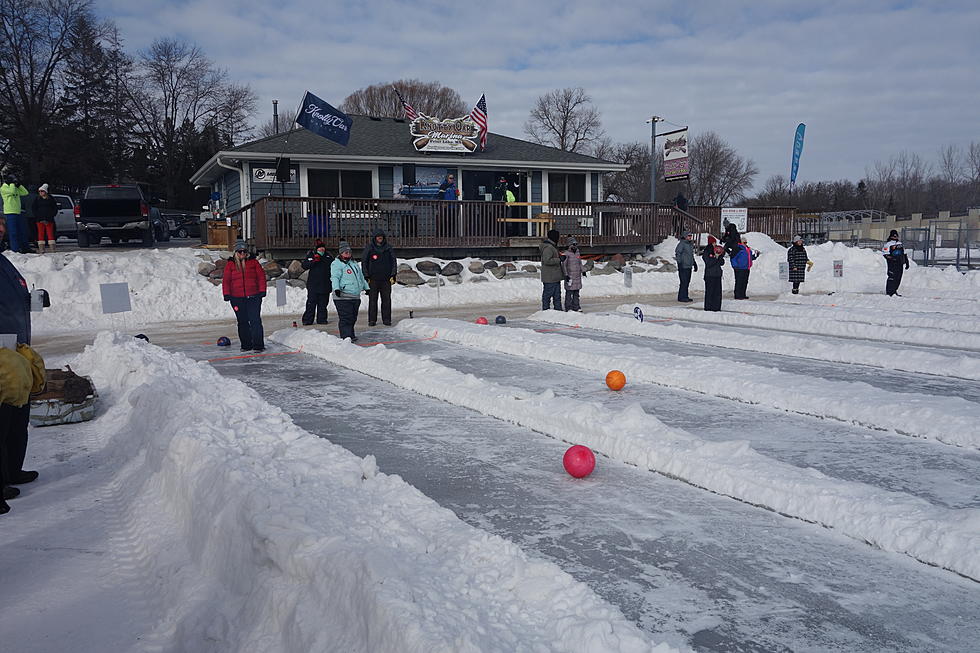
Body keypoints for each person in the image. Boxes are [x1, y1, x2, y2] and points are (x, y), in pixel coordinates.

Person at [0, 213, 44, 513]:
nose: (3, 230)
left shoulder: (4, 262)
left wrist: (33, 299)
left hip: (15, 350)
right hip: (1, 356)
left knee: (17, 419)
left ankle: (12, 471)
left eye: (3, 225)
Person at [221, 241, 267, 351]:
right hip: (237, 298)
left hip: (254, 297)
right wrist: (226, 294)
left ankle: (258, 345)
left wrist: (262, 290)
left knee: (255, 320)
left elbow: (261, 277)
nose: (242, 254)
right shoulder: (230, 264)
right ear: (236, 252)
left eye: (244, 251)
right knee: (242, 322)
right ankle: (246, 345)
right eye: (240, 251)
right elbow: (226, 280)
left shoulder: (254, 263)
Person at [331, 241, 369, 341]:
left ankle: (350, 335)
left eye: (349, 252)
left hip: (355, 296)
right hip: (342, 296)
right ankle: (346, 337)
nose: (348, 254)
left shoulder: (354, 263)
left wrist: (366, 287)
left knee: (353, 317)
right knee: (346, 317)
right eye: (346, 253)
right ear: (341, 253)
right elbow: (335, 277)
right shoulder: (337, 264)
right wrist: (336, 289)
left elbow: (360, 277)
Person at [361, 229, 397, 327]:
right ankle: (372, 320)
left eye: (381, 236)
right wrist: (366, 275)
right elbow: (364, 262)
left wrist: (393, 274)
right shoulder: (369, 248)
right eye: (378, 236)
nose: (379, 238)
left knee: (386, 300)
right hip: (373, 279)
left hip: (386, 279)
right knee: (373, 300)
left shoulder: (388, 248)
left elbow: (393, 261)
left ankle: (387, 319)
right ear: (375, 238)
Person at [301, 239, 333, 325]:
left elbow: (333, 266)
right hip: (313, 285)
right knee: (311, 303)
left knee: (323, 304)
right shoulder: (311, 255)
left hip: (325, 284)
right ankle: (307, 320)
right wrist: (314, 261)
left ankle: (322, 319)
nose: (322, 250)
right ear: (316, 249)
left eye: (323, 249)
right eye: (320, 249)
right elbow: (304, 265)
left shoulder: (328, 256)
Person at [1, 174, 29, 253]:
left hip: (18, 211)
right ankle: (15, 249)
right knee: (13, 232)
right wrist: (12, 184)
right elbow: (12, 191)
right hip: (10, 212)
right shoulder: (3, 188)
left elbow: (25, 193)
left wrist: (19, 185)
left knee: (22, 231)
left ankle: (24, 248)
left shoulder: (14, 187)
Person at [881, 229, 910, 296]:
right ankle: (890, 292)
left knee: (898, 277)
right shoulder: (888, 245)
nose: (895, 237)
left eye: (896, 236)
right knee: (892, 277)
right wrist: (892, 259)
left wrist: (906, 261)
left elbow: (904, 253)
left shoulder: (900, 244)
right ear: (891, 236)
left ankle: (894, 290)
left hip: (900, 263)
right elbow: (885, 254)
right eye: (894, 236)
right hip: (892, 264)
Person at [539, 228, 563, 310]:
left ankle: (558, 310)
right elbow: (547, 260)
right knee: (547, 295)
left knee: (557, 296)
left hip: (555, 276)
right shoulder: (548, 248)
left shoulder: (553, 246)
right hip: (549, 277)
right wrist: (559, 260)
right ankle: (546, 311)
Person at [32, 184, 58, 254]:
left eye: (42, 191)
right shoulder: (37, 199)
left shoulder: (51, 199)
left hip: (49, 220)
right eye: (39, 191)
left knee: (50, 234)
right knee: (41, 234)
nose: (40, 193)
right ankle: (41, 249)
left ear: (45, 192)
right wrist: (38, 217)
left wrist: (50, 216)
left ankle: (52, 249)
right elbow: (34, 209)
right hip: (39, 220)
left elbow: (55, 208)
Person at [561, 237, 584, 311]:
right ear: (569, 245)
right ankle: (568, 307)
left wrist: (583, 270)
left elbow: (579, 263)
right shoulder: (566, 254)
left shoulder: (577, 253)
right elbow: (564, 265)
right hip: (570, 276)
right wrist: (566, 275)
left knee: (576, 293)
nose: (575, 246)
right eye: (573, 244)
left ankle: (576, 306)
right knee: (569, 293)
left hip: (577, 276)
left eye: (576, 244)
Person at [674, 231, 698, 302]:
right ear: (685, 236)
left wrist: (694, 263)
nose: (690, 237)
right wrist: (679, 263)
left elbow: (690, 255)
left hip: (689, 266)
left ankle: (685, 296)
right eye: (689, 236)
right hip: (683, 266)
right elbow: (678, 253)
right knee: (683, 282)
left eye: (691, 236)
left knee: (687, 282)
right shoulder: (682, 244)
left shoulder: (690, 244)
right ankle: (681, 297)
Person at [702, 242, 725, 311]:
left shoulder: (716, 253)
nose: (715, 244)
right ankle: (708, 308)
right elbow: (709, 263)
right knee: (710, 292)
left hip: (717, 275)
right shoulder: (707, 253)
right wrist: (716, 258)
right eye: (713, 243)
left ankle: (716, 307)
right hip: (710, 275)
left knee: (717, 293)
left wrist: (720, 256)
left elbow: (722, 262)